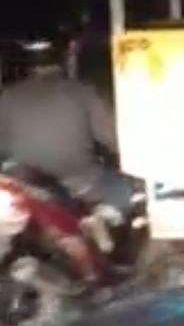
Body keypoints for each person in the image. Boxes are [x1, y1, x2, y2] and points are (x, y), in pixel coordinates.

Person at [0, 39, 135, 215]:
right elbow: (112, 139)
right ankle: (105, 219)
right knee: (125, 188)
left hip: (26, 185)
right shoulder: (83, 91)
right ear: (64, 59)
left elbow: (3, 146)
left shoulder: (8, 96)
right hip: (83, 184)